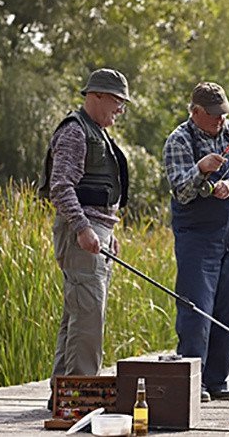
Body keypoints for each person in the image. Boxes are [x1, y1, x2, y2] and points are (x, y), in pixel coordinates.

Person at [163, 81, 229, 403]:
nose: (220, 120)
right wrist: (201, 170)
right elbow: (181, 190)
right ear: (195, 112)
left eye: (223, 113)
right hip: (197, 235)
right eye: (214, 115)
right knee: (197, 307)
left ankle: (217, 380)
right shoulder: (178, 140)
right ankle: (194, 382)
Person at [38, 68, 131, 410]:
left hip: (96, 233)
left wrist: (109, 232)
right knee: (89, 319)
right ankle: (81, 399)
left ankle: (62, 395)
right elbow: (61, 187)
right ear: (96, 96)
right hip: (82, 234)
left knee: (78, 315)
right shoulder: (76, 133)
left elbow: (100, 194)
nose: (121, 108)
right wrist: (82, 228)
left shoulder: (98, 134)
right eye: (117, 100)